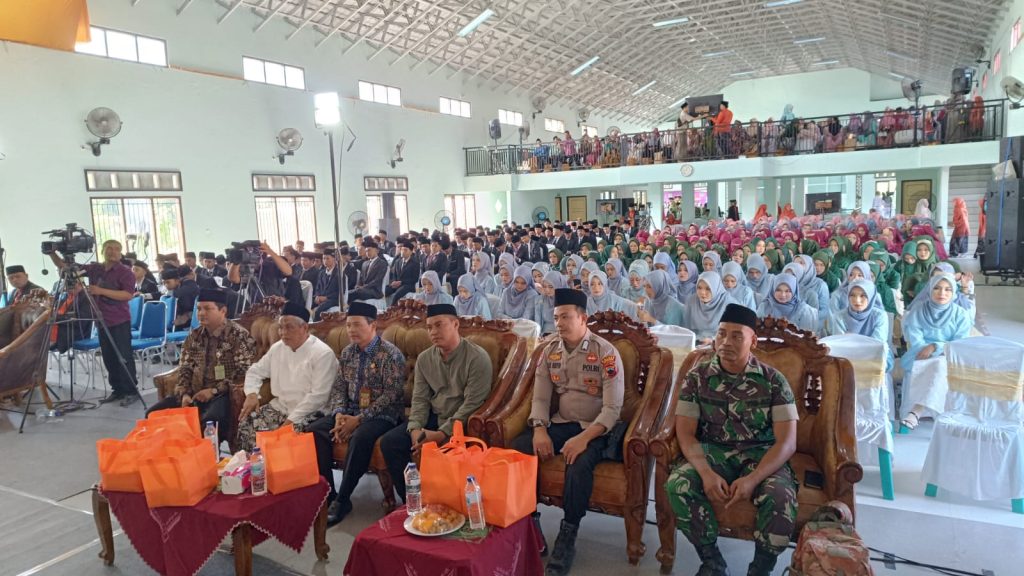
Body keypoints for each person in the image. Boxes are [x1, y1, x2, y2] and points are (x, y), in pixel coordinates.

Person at [665, 304, 799, 576]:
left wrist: (753, 479)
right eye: (721, 333)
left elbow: (787, 443)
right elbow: (686, 433)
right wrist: (704, 473)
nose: (726, 342)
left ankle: (761, 568)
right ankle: (712, 561)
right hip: (712, 452)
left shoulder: (774, 381)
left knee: (780, 497)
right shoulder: (696, 378)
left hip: (761, 456)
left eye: (737, 335)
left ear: (753, 341)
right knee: (678, 484)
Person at [512, 288, 624, 576]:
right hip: (561, 423)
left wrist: (583, 439)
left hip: (595, 429)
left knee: (578, 462)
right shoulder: (549, 350)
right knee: (519, 450)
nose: (559, 323)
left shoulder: (606, 353)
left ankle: (568, 532)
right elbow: (539, 399)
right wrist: (539, 430)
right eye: (555, 317)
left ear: (583, 318)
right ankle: (530, 521)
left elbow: (612, 410)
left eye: (565, 317)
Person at [379, 304, 493, 501]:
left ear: (455, 324)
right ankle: (412, 503)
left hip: (461, 423)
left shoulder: (477, 358)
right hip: (434, 416)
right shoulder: (425, 358)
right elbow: (420, 398)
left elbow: (473, 403)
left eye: (439, 325)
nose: (433, 332)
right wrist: (415, 428)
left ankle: (449, 507)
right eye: (429, 327)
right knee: (392, 442)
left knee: (447, 449)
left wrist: (441, 434)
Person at [307, 302, 406, 526]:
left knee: (361, 436)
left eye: (357, 325)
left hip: (383, 415)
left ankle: (343, 500)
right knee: (315, 431)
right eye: (349, 325)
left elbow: (391, 395)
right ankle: (329, 495)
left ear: (373, 325)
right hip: (349, 410)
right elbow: (340, 387)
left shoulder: (390, 354)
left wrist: (359, 419)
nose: (351, 330)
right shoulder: (348, 352)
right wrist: (340, 413)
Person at [146, 289, 257, 440]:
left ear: (223, 310)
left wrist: (213, 391)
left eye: (207, 309)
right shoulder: (194, 335)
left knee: (209, 422)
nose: (201, 313)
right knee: (153, 415)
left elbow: (244, 372)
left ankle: (207, 459)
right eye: (198, 309)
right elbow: (185, 366)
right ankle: (172, 457)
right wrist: (184, 393)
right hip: (193, 394)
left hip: (223, 395)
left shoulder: (238, 335)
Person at [236, 302, 338, 451]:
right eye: (281, 327)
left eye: (289, 327)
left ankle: (282, 473)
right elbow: (255, 371)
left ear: (304, 328)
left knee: (284, 441)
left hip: (309, 414)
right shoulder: (278, 348)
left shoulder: (322, 354)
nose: (283, 333)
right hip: (281, 408)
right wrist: (251, 394)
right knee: (247, 424)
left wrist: (290, 421)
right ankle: (255, 471)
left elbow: (319, 396)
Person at [49, 240, 138, 405]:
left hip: (118, 320)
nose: (113, 252)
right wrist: (52, 253)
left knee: (123, 356)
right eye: (109, 248)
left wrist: (100, 291)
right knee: (109, 356)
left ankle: (131, 391)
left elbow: (127, 295)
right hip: (101, 319)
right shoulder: (95, 268)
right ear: (103, 251)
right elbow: (68, 269)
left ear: (121, 253)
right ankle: (117, 389)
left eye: (116, 249)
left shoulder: (125, 272)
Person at [899, 273, 972, 431]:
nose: (942, 293)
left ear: (954, 292)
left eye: (947, 289)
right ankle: (929, 413)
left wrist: (935, 346)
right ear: (930, 290)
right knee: (938, 366)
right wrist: (928, 349)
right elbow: (915, 338)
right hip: (919, 355)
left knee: (940, 365)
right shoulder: (919, 310)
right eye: (937, 288)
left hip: (948, 357)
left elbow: (959, 343)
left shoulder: (960, 314)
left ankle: (916, 411)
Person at [684, 272, 738, 344]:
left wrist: (713, 340)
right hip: (696, 343)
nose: (702, 292)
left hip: (723, 344)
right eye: (699, 288)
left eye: (708, 289)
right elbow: (686, 329)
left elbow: (734, 333)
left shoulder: (730, 304)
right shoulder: (692, 301)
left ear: (716, 288)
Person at [347, 239, 388, 304]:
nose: (367, 253)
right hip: (363, 289)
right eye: (366, 251)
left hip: (375, 291)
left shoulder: (382, 263)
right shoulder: (365, 263)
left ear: (377, 251)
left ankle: (346, 309)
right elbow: (361, 278)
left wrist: (363, 287)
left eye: (369, 250)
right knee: (346, 293)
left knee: (353, 293)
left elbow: (377, 280)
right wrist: (358, 285)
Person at [160, 267, 199, 331]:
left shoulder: (188, 286)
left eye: (168, 282)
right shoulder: (177, 288)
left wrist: (187, 316)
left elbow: (193, 308)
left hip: (194, 321)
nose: (166, 285)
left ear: (177, 281)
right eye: (164, 283)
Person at [312, 248, 341, 320]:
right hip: (321, 298)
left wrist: (326, 298)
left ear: (334, 259)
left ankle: (317, 329)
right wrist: (317, 296)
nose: (325, 261)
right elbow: (318, 287)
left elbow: (340, 291)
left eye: (328, 258)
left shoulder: (339, 273)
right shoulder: (321, 273)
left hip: (333, 299)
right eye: (324, 258)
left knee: (319, 310)